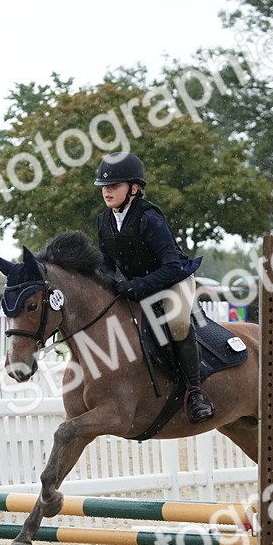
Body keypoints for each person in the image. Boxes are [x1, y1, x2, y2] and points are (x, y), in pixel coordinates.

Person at [94, 152, 213, 423]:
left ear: (134, 188)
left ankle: (195, 391)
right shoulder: (104, 221)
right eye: (104, 187)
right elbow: (105, 264)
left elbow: (171, 266)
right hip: (138, 285)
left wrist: (136, 286)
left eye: (114, 186)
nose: (107, 191)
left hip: (174, 281)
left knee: (178, 322)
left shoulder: (150, 218)